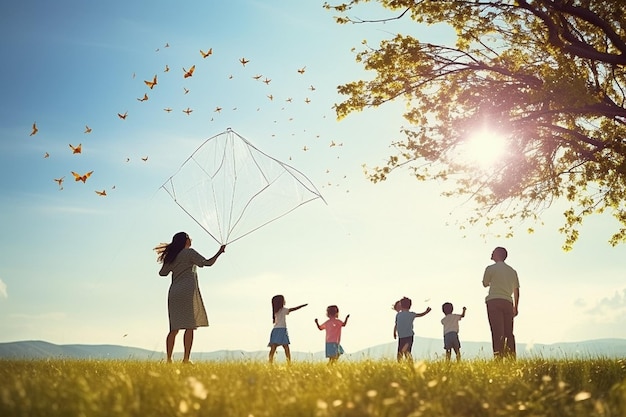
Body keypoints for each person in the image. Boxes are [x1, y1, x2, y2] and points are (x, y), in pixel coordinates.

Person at [155, 232, 226, 363]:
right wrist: (219, 252)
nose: (191, 239)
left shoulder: (172, 255)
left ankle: (169, 360)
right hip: (187, 291)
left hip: (174, 292)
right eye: (189, 238)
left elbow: (162, 273)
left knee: (174, 328)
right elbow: (208, 263)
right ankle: (186, 359)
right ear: (185, 241)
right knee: (189, 326)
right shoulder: (189, 253)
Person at [482, 246, 520, 359]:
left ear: (497, 255)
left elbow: (485, 283)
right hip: (508, 302)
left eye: (493, 252)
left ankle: (498, 359)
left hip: (494, 301)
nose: (491, 253)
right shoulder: (512, 271)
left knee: (497, 332)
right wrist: (516, 307)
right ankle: (511, 358)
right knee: (509, 332)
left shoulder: (490, 268)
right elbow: (517, 290)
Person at [268, 295, 307, 364]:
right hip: (282, 330)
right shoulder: (283, 310)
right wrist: (302, 306)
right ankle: (288, 362)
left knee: (274, 348)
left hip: (276, 330)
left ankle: (270, 362)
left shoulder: (275, 311)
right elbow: (293, 309)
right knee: (286, 347)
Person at [394, 296, 431, 363]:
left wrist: (394, 332)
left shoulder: (398, 315)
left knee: (400, 353)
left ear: (401, 305)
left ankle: (400, 365)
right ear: (410, 306)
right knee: (407, 352)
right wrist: (426, 312)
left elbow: (396, 324)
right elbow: (420, 314)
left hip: (401, 336)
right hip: (409, 336)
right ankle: (410, 365)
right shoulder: (411, 314)